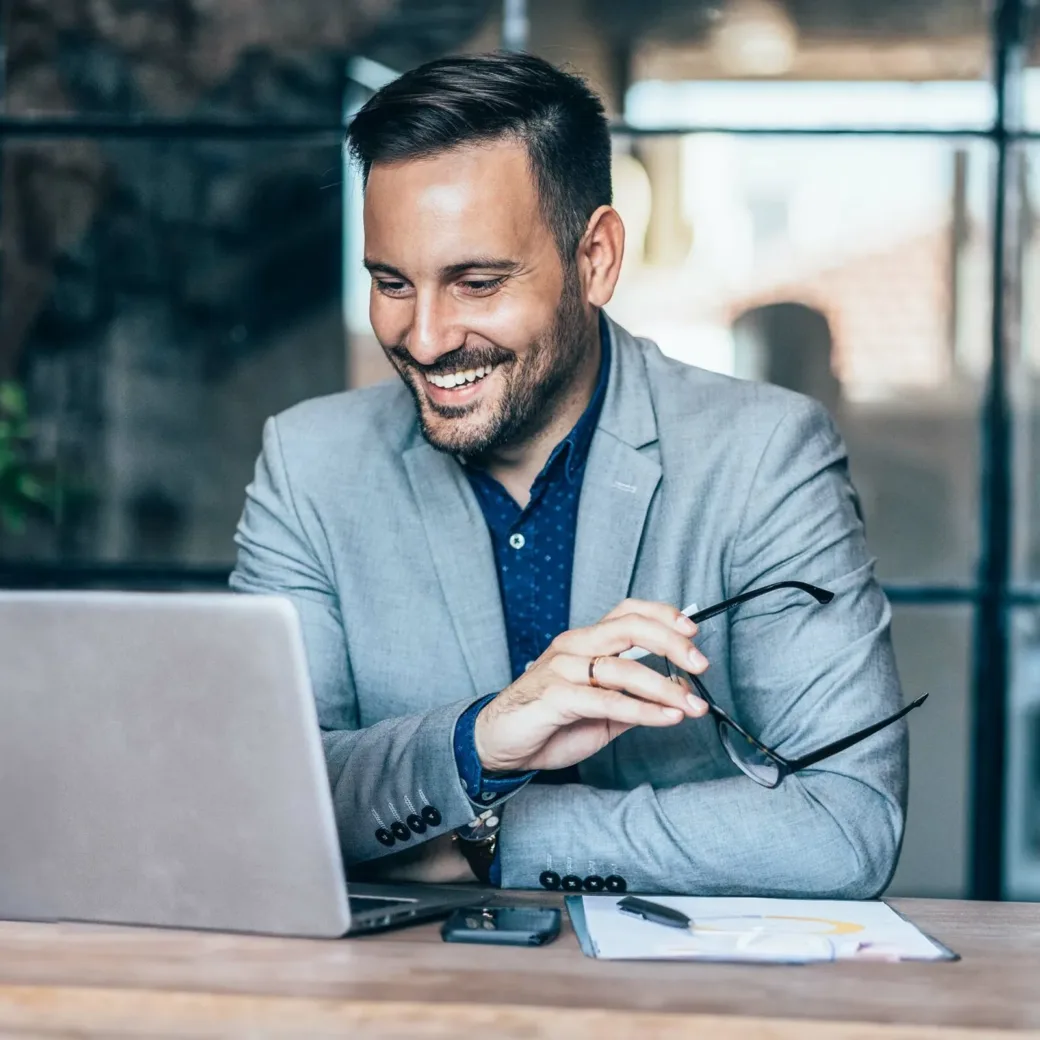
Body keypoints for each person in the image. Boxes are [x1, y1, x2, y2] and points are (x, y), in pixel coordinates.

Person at [231, 52, 910, 897]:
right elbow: (262, 795)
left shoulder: (765, 455)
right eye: (391, 283)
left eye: (477, 283)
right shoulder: (308, 465)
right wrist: (479, 740)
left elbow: (848, 826)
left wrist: (491, 839)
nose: (427, 337)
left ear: (594, 258)